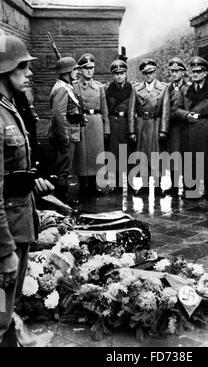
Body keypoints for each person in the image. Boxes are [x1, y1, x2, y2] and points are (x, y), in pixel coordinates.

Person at [0, 35, 54, 347]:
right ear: (4, 71)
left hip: (19, 222)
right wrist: (5, 250)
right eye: (23, 67)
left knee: (9, 303)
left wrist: (29, 179)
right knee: (0, 311)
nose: (30, 73)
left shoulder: (11, 109)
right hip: (6, 231)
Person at [175, 56, 208, 200]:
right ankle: (191, 189)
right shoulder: (185, 89)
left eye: (199, 71)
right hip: (190, 128)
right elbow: (176, 108)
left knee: (207, 159)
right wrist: (186, 115)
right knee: (190, 159)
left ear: (205, 73)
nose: (195, 74)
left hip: (207, 128)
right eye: (193, 71)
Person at [128, 59, 170, 195]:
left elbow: (165, 111)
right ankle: (144, 185)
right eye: (146, 73)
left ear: (155, 72)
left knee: (155, 155)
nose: (148, 76)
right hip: (141, 124)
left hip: (155, 123)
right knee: (142, 155)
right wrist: (132, 131)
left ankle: (157, 186)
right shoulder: (136, 88)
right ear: (142, 74)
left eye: (151, 72)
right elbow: (131, 111)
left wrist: (163, 129)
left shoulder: (163, 88)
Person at [73, 53, 110, 196]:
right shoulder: (75, 87)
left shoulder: (99, 87)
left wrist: (106, 128)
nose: (89, 71)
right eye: (86, 68)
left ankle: (93, 186)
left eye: (92, 68)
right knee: (83, 156)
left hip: (96, 123)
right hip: (82, 122)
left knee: (96, 155)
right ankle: (83, 187)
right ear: (80, 70)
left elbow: (105, 109)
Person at [49, 57, 81, 204]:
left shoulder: (66, 85)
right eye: (75, 69)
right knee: (63, 168)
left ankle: (63, 197)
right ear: (67, 72)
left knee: (65, 167)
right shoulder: (61, 88)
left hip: (70, 130)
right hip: (65, 133)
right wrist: (64, 138)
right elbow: (59, 116)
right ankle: (62, 200)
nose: (77, 72)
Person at [106, 59, 132, 192]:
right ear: (113, 75)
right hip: (113, 122)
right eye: (116, 74)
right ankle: (115, 184)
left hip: (126, 122)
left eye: (122, 73)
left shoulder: (131, 88)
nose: (119, 76)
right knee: (114, 153)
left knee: (127, 153)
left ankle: (128, 183)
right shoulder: (108, 90)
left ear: (126, 74)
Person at [166, 57, 187, 196]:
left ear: (183, 72)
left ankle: (188, 186)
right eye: (172, 71)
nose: (174, 74)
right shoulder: (167, 88)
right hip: (173, 127)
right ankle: (173, 186)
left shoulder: (189, 88)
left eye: (177, 71)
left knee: (187, 156)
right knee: (174, 156)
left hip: (186, 127)